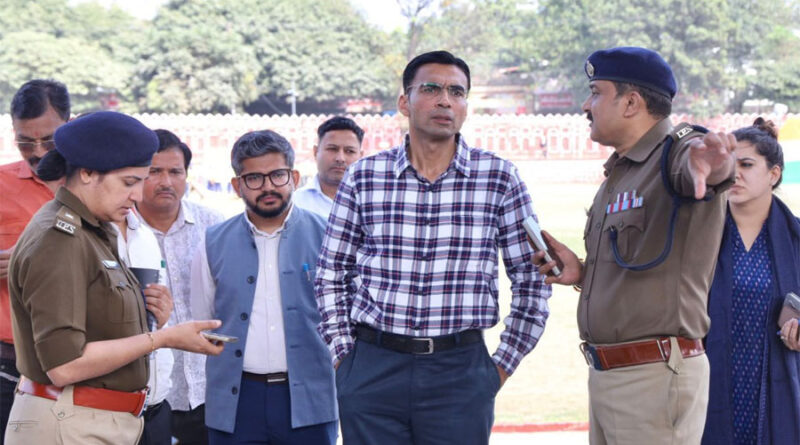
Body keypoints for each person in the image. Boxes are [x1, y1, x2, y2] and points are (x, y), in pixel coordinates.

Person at [315, 50, 551, 445]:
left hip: (460, 370)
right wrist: (345, 359)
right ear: (404, 102)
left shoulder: (498, 178)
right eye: (431, 89)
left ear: (466, 106)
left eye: (456, 92)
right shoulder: (364, 177)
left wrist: (499, 367)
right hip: (373, 366)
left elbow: (532, 278)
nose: (445, 100)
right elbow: (330, 273)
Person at [535, 47, 736, 445]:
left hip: (653, 377)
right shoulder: (622, 172)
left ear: (631, 103)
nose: (585, 105)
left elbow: (702, 168)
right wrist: (583, 273)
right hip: (612, 375)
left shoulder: (677, 152)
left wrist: (713, 166)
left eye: (596, 92)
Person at [4, 111, 224, 445]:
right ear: (87, 173)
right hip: (69, 423)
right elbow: (64, 365)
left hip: (95, 421)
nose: (138, 196)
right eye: (129, 182)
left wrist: (154, 318)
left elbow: (102, 322)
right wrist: (163, 339)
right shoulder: (60, 238)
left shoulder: (94, 229)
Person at [191, 129, 337, 444]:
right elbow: (204, 322)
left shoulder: (329, 236)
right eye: (254, 178)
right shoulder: (212, 242)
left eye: (277, 175)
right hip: (236, 401)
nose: (268, 186)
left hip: (310, 398)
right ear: (237, 186)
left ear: (294, 178)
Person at [702, 118, 800, 445]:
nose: (735, 174)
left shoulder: (796, 239)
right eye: (729, 165)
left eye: (746, 165)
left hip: (777, 383)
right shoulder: (699, 234)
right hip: (710, 382)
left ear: (774, 173)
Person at [137, 129, 225, 445]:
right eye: (154, 172)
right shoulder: (120, 230)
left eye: (175, 172)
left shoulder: (214, 226)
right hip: (149, 390)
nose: (166, 182)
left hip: (209, 387)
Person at [0, 79, 69, 442]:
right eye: (25, 142)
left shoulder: (96, 182)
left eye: (49, 140)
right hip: (8, 366)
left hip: (82, 363)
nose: (38, 152)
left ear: (69, 126)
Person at [111, 208, 176, 445]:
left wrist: (162, 313)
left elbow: (158, 318)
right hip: (108, 412)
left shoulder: (145, 236)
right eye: (127, 187)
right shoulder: (79, 237)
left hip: (156, 406)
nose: (135, 192)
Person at [293, 116, 364, 217]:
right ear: (316, 152)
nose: (340, 158)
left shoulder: (373, 203)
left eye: (349, 151)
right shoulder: (295, 204)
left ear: (361, 157)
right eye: (332, 149)